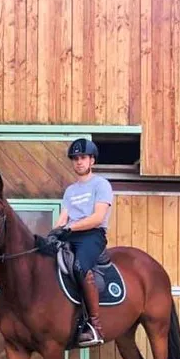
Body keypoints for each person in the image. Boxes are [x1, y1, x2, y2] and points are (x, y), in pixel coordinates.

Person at [50, 138, 113, 347]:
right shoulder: (70, 191)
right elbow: (63, 217)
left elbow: (97, 217)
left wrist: (68, 228)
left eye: (83, 158)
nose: (79, 162)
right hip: (71, 234)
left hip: (92, 235)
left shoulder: (101, 184)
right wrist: (53, 233)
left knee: (79, 266)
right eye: (75, 158)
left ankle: (94, 326)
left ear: (92, 160)